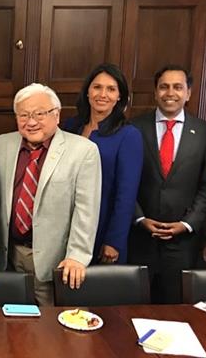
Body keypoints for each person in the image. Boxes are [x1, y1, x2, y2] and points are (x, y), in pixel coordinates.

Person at [0, 83, 101, 306]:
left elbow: (86, 210)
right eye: (24, 115)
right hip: (8, 256)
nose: (31, 122)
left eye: (39, 114)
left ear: (56, 115)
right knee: (8, 322)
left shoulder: (83, 151)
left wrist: (77, 256)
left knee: (50, 324)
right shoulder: (1, 144)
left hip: (53, 260)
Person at [128, 65, 206, 303]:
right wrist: (139, 218)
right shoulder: (133, 129)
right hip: (140, 238)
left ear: (188, 93)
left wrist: (187, 224)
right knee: (133, 308)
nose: (170, 93)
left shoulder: (205, 132)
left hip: (184, 242)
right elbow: (125, 182)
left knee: (176, 308)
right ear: (155, 92)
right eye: (164, 87)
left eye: (178, 87)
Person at [62, 63, 143, 264]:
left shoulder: (128, 135)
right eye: (97, 87)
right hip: (65, 225)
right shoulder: (69, 127)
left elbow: (126, 194)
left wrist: (114, 240)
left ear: (119, 97)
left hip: (103, 226)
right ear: (87, 91)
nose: (103, 94)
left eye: (111, 89)